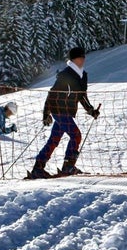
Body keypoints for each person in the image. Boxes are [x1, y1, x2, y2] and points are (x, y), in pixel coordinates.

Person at [28, 47, 99, 179]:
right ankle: (68, 166)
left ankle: (38, 167)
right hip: (59, 110)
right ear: (73, 59)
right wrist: (46, 113)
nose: (82, 60)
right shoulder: (66, 75)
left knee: (54, 139)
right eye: (79, 58)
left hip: (68, 112)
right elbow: (52, 94)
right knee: (76, 135)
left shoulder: (83, 75)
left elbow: (82, 96)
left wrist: (91, 110)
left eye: (83, 57)